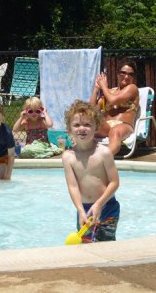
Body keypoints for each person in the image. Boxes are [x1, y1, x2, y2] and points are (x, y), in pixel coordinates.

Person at [62, 99, 120, 243]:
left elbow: (114, 182)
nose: (82, 128)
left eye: (87, 124)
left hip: (107, 206)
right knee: (85, 244)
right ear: (69, 130)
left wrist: (99, 203)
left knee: (106, 244)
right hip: (84, 209)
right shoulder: (68, 157)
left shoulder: (104, 153)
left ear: (96, 128)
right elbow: (73, 186)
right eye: (76, 125)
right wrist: (80, 210)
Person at [90, 60, 139, 156]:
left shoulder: (132, 88)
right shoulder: (109, 92)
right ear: (117, 74)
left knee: (115, 131)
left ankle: (104, 158)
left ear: (133, 77)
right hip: (107, 126)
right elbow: (91, 109)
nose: (126, 76)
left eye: (130, 74)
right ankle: (79, 155)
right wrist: (96, 89)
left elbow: (113, 101)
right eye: (123, 73)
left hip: (124, 125)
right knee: (88, 125)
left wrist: (104, 87)